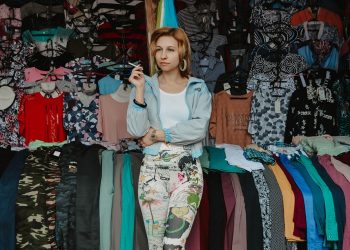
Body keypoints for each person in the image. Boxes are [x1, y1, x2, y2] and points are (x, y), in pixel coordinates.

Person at [127, 27, 212, 249]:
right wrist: (138, 91)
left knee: (173, 245)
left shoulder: (198, 89)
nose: (163, 55)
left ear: (182, 53)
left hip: (188, 175)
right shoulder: (146, 86)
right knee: (155, 245)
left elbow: (198, 129)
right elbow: (136, 130)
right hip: (152, 174)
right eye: (159, 50)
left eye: (170, 50)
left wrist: (158, 134)